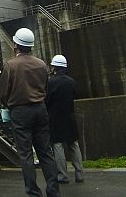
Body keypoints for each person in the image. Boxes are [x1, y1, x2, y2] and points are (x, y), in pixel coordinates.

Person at [0, 28, 60, 197]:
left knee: (26, 154)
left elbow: (3, 92)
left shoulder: (10, 65)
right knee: (45, 151)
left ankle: (33, 192)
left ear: (16, 44)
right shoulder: (41, 64)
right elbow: (45, 88)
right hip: (40, 109)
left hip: (20, 111)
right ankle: (53, 190)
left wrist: (6, 105)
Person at [46, 55, 84, 184]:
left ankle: (62, 175)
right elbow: (76, 94)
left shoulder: (51, 82)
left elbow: (47, 100)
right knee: (73, 144)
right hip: (70, 116)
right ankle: (79, 173)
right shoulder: (71, 81)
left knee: (58, 146)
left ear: (54, 67)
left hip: (55, 118)